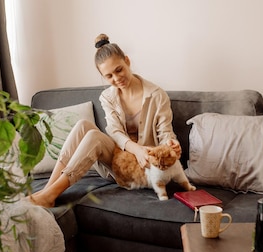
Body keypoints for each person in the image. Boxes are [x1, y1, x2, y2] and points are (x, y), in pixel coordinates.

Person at [28, 33, 181, 208]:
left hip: (146, 170)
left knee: (94, 136)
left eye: (119, 70)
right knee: (83, 125)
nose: (116, 79)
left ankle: (49, 195)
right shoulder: (107, 97)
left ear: (127, 61)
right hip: (117, 166)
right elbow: (115, 132)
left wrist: (171, 144)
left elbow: (166, 133)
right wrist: (135, 149)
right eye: (109, 76)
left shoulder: (156, 95)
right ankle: (47, 192)